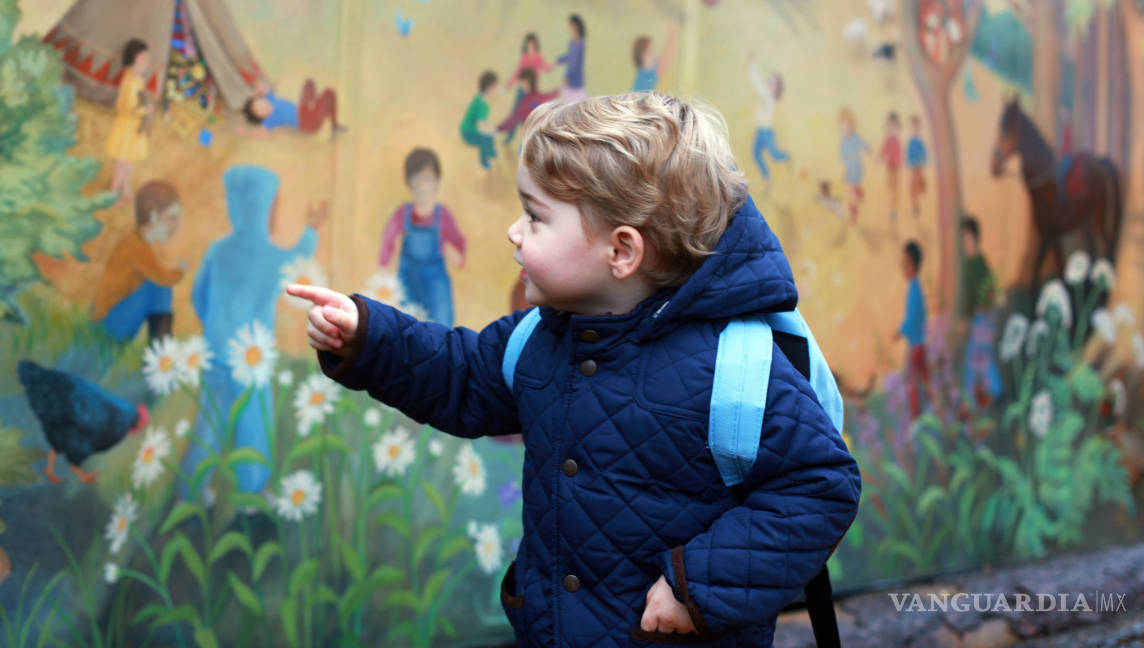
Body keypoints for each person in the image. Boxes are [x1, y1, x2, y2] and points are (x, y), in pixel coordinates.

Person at [287, 93, 859, 647]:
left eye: (536, 217)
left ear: (621, 251)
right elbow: (459, 376)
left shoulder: (734, 369)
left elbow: (819, 488)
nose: (514, 231)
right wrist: (368, 337)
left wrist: (699, 587)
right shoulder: (540, 337)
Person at [179, 165, 328, 500]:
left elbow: (197, 296)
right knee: (254, 423)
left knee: (210, 422)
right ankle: (253, 491)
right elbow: (297, 258)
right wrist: (312, 228)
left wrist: (216, 327)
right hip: (252, 360)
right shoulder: (270, 257)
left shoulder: (217, 251)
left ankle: (189, 491)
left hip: (216, 353)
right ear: (265, 209)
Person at [378, 149, 466, 327]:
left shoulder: (443, 216)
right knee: (406, 330)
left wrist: (457, 255)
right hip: (408, 284)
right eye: (414, 178)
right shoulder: (402, 214)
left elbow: (458, 242)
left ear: (436, 182)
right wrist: (384, 271)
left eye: (426, 178)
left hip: (436, 288)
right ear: (408, 183)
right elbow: (388, 242)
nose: (420, 184)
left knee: (441, 331)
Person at [92, 181, 185, 342]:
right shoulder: (136, 247)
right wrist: (180, 271)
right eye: (172, 218)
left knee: (158, 286)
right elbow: (163, 277)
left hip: (108, 322)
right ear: (154, 216)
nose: (176, 226)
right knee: (160, 286)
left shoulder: (137, 243)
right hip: (106, 328)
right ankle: (161, 353)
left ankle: (161, 353)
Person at [958, 217, 1002, 405]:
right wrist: (964, 319)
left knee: (975, 357)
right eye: (962, 240)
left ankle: (971, 398)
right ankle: (996, 389)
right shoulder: (967, 264)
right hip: (977, 318)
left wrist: (986, 306)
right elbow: (967, 296)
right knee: (982, 357)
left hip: (984, 318)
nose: (965, 244)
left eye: (968, 239)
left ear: (975, 239)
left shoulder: (979, 261)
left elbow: (990, 287)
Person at [106, 38, 155, 206]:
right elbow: (128, 106)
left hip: (134, 127)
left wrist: (145, 106)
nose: (147, 62)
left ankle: (126, 188)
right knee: (122, 161)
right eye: (144, 58)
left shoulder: (137, 78)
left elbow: (139, 99)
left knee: (129, 160)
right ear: (135, 58)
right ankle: (113, 192)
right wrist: (145, 110)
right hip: (127, 126)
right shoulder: (130, 80)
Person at [893, 240, 933, 418]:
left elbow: (912, 319)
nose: (903, 266)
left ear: (913, 264)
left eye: (906, 263)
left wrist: (899, 332)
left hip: (916, 345)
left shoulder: (914, 290)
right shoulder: (915, 288)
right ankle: (931, 410)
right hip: (920, 343)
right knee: (924, 379)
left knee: (912, 381)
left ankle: (916, 415)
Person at [239, 80, 344, 136]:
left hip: (304, 109)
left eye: (260, 102)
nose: (263, 105)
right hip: (307, 123)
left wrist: (252, 95)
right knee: (329, 93)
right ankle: (330, 119)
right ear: (260, 117)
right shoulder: (269, 121)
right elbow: (263, 133)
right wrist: (247, 133)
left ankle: (323, 111)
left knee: (309, 83)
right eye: (259, 109)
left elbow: (262, 86)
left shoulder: (270, 98)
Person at [503, 33, 554, 144]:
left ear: (535, 45)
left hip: (532, 92)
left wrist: (554, 65)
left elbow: (546, 67)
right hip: (521, 91)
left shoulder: (538, 57)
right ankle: (510, 137)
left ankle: (528, 141)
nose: (530, 47)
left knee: (529, 117)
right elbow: (517, 73)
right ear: (526, 45)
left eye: (533, 45)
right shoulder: (524, 58)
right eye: (528, 45)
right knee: (515, 113)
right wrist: (509, 84)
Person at [748, 56, 790, 182]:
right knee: (756, 154)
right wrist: (753, 66)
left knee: (775, 156)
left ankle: (787, 157)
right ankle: (766, 178)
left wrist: (753, 64)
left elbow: (756, 82)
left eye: (772, 82)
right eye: (769, 80)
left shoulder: (768, 98)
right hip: (760, 131)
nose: (768, 83)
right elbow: (758, 82)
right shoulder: (766, 94)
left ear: (776, 88)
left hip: (767, 133)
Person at [497, 69, 559, 140]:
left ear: (529, 83)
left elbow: (513, 118)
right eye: (521, 83)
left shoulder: (526, 102)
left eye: (523, 83)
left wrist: (497, 129)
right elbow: (552, 95)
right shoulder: (537, 97)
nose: (522, 85)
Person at [461, 70, 500, 169]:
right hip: (468, 133)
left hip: (470, 127)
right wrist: (493, 131)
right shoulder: (483, 106)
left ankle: (491, 153)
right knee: (485, 140)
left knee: (489, 136)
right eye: (495, 87)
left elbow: (481, 122)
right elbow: (480, 126)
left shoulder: (480, 97)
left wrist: (490, 129)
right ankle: (485, 161)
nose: (497, 89)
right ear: (488, 89)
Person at [838, 107, 869, 223]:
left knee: (852, 190)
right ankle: (853, 211)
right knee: (849, 192)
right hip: (849, 170)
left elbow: (863, 144)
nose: (844, 128)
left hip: (856, 168)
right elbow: (842, 155)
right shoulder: (843, 141)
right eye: (842, 125)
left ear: (851, 125)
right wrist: (847, 158)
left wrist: (867, 148)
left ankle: (855, 207)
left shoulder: (856, 137)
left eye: (846, 125)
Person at [631, 27, 677, 92]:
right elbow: (666, 56)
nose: (654, 53)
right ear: (641, 55)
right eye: (650, 51)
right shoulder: (652, 72)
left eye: (653, 49)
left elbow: (664, 57)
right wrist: (672, 35)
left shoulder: (646, 70)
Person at [556, 14, 587, 102]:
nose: (570, 30)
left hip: (576, 82)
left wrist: (567, 76)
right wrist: (558, 60)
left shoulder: (581, 43)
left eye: (572, 27)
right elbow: (569, 56)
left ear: (577, 27)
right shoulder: (572, 42)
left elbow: (576, 62)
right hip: (569, 82)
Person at [878, 111, 901, 221]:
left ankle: (893, 210)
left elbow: (899, 154)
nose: (892, 128)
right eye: (890, 126)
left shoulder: (896, 141)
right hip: (889, 167)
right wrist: (880, 159)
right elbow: (883, 151)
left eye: (894, 126)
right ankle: (891, 208)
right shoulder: (887, 140)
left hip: (895, 167)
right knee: (889, 186)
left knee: (894, 189)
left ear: (897, 127)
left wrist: (896, 160)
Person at [906, 114, 928, 218]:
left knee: (917, 185)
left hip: (918, 166)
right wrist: (908, 163)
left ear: (918, 128)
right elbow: (908, 154)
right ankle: (915, 204)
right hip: (912, 167)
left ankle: (917, 202)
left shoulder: (919, 141)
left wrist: (922, 162)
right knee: (912, 187)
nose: (914, 129)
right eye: (912, 127)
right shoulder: (910, 141)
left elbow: (924, 153)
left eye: (915, 127)